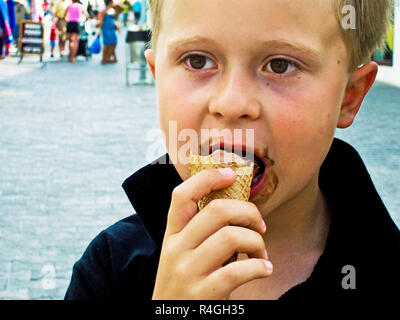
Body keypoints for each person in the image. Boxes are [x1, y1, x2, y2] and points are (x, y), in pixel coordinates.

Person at [65, 0, 400, 301]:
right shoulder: (109, 268)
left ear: (349, 96)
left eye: (280, 65)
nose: (231, 103)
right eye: (197, 60)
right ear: (157, 78)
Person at [97, 0, 119, 64]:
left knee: (113, 43)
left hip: (112, 29)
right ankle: (104, 59)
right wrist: (99, 31)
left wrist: (117, 27)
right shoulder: (103, 11)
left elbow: (113, 20)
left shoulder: (112, 10)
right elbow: (100, 22)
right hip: (106, 29)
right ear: (110, 3)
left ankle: (109, 57)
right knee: (106, 44)